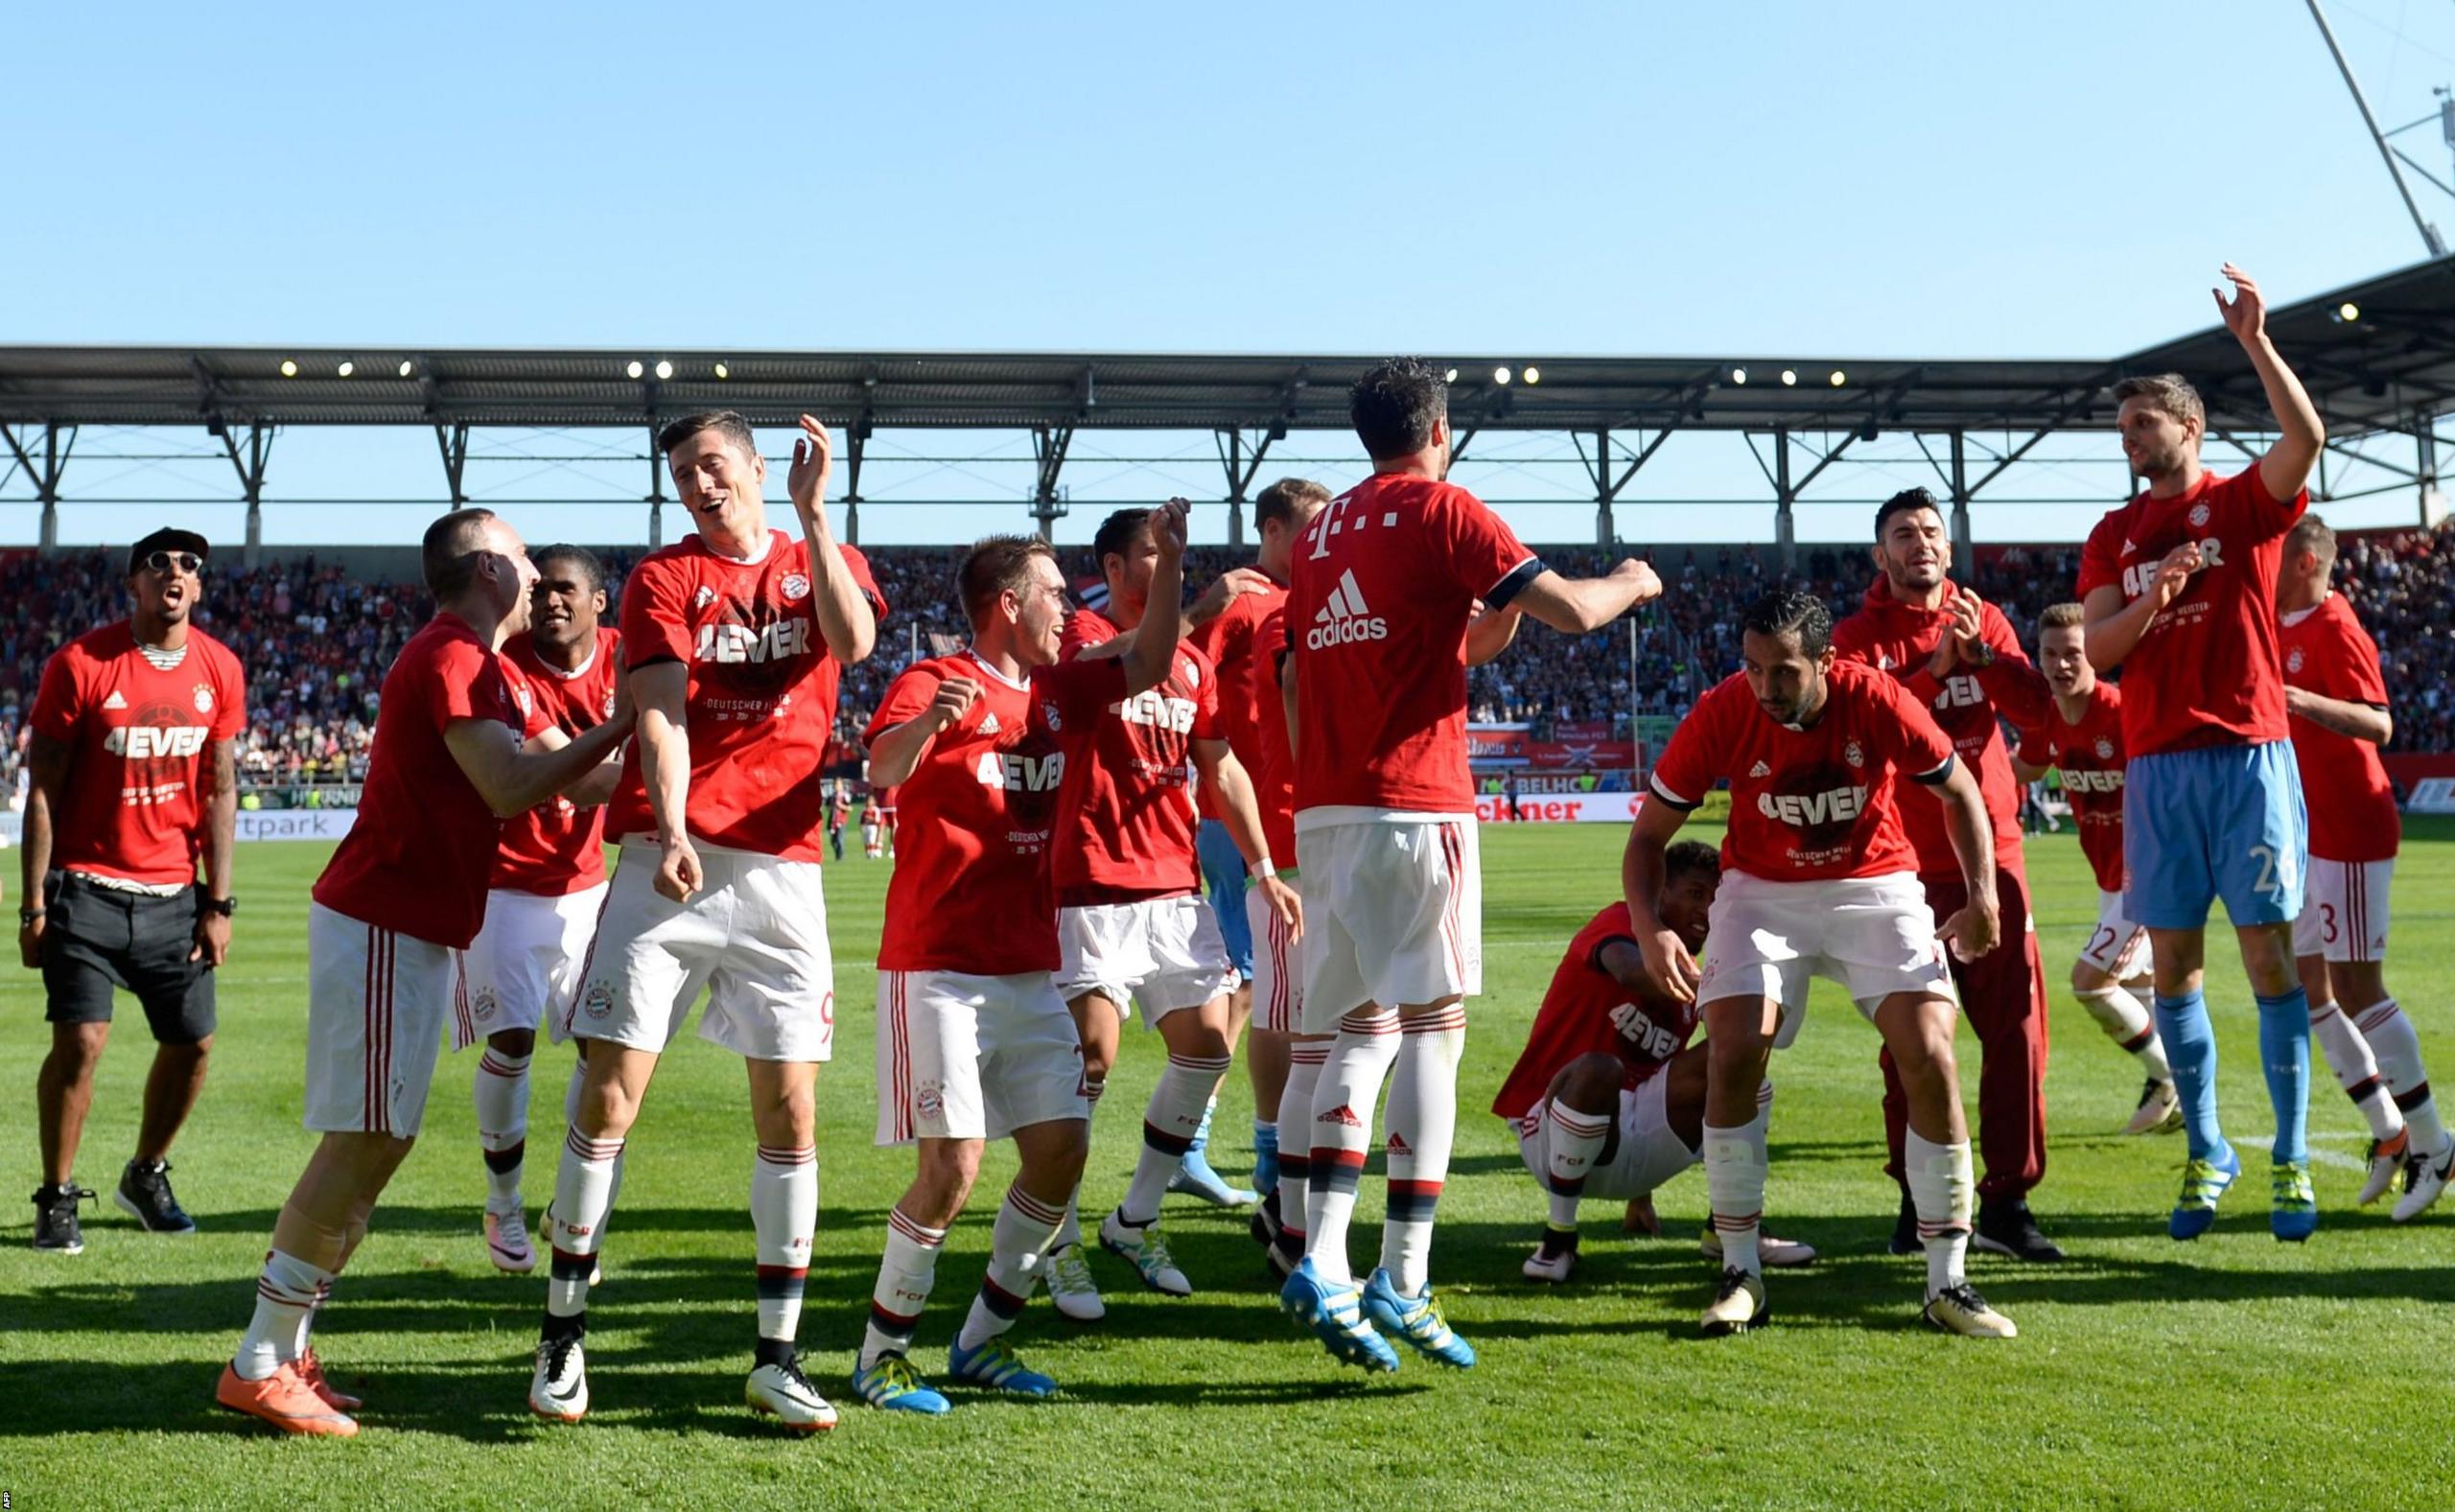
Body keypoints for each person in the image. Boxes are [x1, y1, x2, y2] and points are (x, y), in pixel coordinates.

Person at [1278, 355, 1662, 1374]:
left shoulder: (1319, 534)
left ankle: (1322, 1254)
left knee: (1357, 1031)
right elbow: (1571, 613)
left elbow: (1436, 644)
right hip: (1415, 803)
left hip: (1327, 811)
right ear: (1439, 427)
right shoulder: (1444, 508)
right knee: (1434, 1036)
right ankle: (1403, 1274)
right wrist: (1628, 579)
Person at [216, 509, 633, 1436]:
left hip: (404, 925)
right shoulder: (455, 656)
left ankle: (286, 1347)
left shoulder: (469, 660)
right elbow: (513, 786)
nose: (536, 576)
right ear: (490, 569)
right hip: (382, 921)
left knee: (381, 1140)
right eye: (525, 559)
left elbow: (553, 776)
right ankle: (258, 1356)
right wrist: (624, 723)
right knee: (361, 1140)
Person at [528, 411, 880, 1433]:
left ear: (758, 468)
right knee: (608, 1097)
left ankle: (776, 1355)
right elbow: (661, 711)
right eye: (682, 472)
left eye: (712, 465)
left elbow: (851, 641)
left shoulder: (825, 555)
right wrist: (675, 823)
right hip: (664, 864)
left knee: (793, 1113)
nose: (697, 483)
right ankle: (562, 1336)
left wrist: (814, 519)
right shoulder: (662, 578)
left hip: (784, 875)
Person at [853, 507, 1191, 1414]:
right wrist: (929, 720)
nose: (1066, 609)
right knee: (952, 1167)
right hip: (938, 967)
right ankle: (880, 1353)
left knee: (1060, 1149)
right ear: (1008, 603)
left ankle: (981, 1341)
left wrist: (1172, 570)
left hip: (1029, 965)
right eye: (1052, 593)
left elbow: (1152, 663)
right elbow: (880, 770)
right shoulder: (936, 677)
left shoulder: (1061, 689)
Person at [1626, 589, 2015, 1339]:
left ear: (1827, 662)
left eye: (1785, 671)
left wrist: (1984, 894)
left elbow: (1959, 789)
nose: (1766, 687)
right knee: (1735, 1050)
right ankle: (1741, 1270)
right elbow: (1648, 838)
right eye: (1753, 668)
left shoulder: (1879, 699)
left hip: (1875, 883)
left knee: (1931, 1053)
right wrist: (1650, 929)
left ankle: (1948, 1282)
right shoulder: (1724, 709)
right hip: (1762, 891)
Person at [2077, 266, 2325, 1242]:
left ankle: (2294, 1156)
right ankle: (2209, 1145)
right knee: (2172, 964)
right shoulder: (2112, 534)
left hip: (2247, 754)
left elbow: (2304, 441)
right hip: (2158, 767)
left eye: (2146, 422)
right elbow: (2098, 650)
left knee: (2266, 954)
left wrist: (2256, 343)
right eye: (2124, 426)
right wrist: (2157, 592)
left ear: (2192, 428)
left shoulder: (2241, 506)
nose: (2132, 438)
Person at [1039, 507, 1299, 1322]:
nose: (1173, 565)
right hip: (1087, 880)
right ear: (1115, 567)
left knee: (1208, 1046)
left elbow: (1223, 769)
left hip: (1172, 886)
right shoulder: (1077, 629)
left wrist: (1262, 869)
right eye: (1157, 554)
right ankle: (1059, 1241)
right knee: (1090, 1058)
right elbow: (1115, 661)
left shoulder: (1192, 665)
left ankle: (1136, 1219)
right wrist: (1187, 609)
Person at [1833, 488, 2061, 1262]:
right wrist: (1935, 672)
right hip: (1897, 867)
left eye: (1931, 531)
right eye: (1903, 533)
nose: (1919, 543)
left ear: (1949, 547)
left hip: (1991, 861)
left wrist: (1985, 659)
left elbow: (2041, 712)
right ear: (1880, 555)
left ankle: (2007, 1200)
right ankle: (1918, 1195)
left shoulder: (1984, 618)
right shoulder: (1856, 640)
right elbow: (1867, 728)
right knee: (1911, 1044)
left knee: (2018, 1033)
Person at [24, 527, 245, 1253]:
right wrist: (32, 903)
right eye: (159, 562)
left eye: (189, 564)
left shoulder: (221, 667)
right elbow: (45, 789)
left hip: (175, 897)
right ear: (133, 584)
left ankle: (145, 1173)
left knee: (195, 1044)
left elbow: (220, 790)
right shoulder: (80, 663)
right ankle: (57, 1195)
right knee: (82, 1041)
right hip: (85, 889)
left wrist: (218, 903)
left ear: (200, 587)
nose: (175, 572)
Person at [1492, 844, 1814, 1283]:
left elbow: (1652, 1080)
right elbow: (1628, 970)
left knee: (1744, 1069)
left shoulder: (1698, 975)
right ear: (1660, 893)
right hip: (1548, 1124)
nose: (1707, 909)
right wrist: (1726, 987)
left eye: (1716, 899)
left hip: (1629, 1142)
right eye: (1696, 894)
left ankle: (1731, 1227)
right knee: (1600, 1069)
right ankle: (1558, 1238)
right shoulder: (1621, 921)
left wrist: (1639, 1195)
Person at [450, 545, 622, 1273]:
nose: (551, 600)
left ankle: (569, 1202)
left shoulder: (628, 655)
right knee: (511, 1042)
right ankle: (503, 1203)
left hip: (585, 885)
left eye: (566, 589)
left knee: (602, 1047)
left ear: (598, 601)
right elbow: (585, 782)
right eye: (541, 589)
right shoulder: (508, 662)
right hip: (504, 884)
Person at [2276, 515, 2452, 1219]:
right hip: (2310, 831)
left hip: (2351, 825)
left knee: (2357, 986)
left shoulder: (2335, 624)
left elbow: (2380, 723)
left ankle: (2436, 1144)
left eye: (2277, 551)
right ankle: (2390, 1130)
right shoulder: (2278, 618)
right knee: (2306, 984)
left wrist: (2305, 701)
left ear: (2306, 559)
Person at [1183, 478, 1333, 1253]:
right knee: (1261, 986)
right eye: (1309, 528)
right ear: (1273, 530)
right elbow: (1181, 679)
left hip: (1278, 819)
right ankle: (1258, 1153)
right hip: (1242, 820)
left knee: (1264, 986)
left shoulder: (1301, 601)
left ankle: (1210, 1144)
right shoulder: (1245, 601)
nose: (1321, 540)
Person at [2003, 603, 2178, 1134]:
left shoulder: (2123, 712)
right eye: (2049, 654)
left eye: (2072, 653)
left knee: (2091, 983)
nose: (2060, 665)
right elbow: (2023, 766)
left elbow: (2171, 786)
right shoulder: (2049, 720)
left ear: (2093, 657)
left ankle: (2178, 1079)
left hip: (2149, 878)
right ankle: (2170, 1093)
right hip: (2109, 880)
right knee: (2144, 986)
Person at [828, 780, 851, 863]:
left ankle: (840, 857)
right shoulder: (832, 796)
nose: (836, 786)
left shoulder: (845, 796)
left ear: (842, 785)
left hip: (841, 821)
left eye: (838, 784)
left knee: (840, 840)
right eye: (835, 784)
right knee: (833, 841)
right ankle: (837, 854)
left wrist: (840, 806)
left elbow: (849, 808)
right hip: (832, 822)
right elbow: (828, 808)